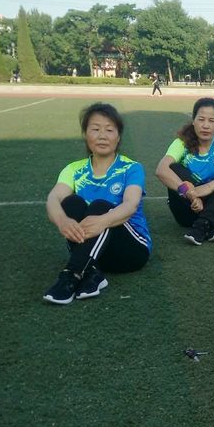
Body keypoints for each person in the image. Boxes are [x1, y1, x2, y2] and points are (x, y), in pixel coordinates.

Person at [43, 103, 152, 305]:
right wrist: (62, 221)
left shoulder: (131, 168)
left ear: (118, 137)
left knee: (101, 206)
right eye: (95, 129)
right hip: (95, 253)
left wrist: (103, 221)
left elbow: (130, 205)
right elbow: (53, 198)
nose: (102, 136)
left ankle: (72, 274)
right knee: (71, 202)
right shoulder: (74, 169)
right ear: (86, 134)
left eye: (109, 130)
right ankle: (91, 272)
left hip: (131, 251)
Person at [155, 98, 214, 245]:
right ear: (193, 121)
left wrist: (208, 188)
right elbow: (161, 170)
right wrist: (190, 194)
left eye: (211, 120)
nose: (205, 125)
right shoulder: (181, 143)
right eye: (201, 119)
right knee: (173, 168)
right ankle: (211, 222)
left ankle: (203, 222)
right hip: (187, 213)